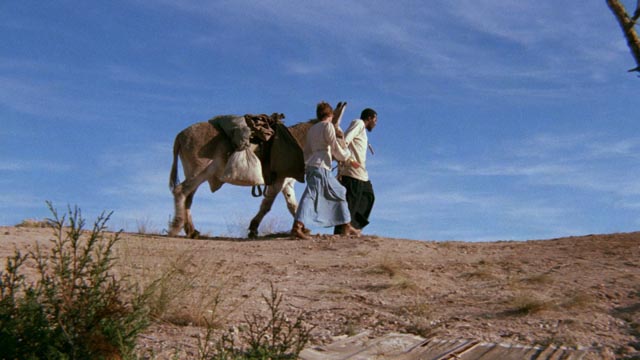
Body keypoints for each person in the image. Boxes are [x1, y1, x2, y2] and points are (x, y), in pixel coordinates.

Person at [291, 101, 361, 239]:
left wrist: (305, 165)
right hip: (320, 167)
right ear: (331, 114)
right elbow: (334, 146)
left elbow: (307, 150)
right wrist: (348, 158)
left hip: (314, 166)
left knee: (340, 191)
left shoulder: (312, 129)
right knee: (311, 195)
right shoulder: (328, 126)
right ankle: (297, 228)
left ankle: (347, 225)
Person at [334, 108, 377, 235]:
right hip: (352, 172)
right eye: (375, 120)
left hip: (361, 174)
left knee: (368, 196)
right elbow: (344, 141)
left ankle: (352, 226)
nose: (375, 123)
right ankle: (342, 231)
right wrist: (349, 160)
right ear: (369, 118)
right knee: (351, 204)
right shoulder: (358, 123)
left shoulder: (363, 130)